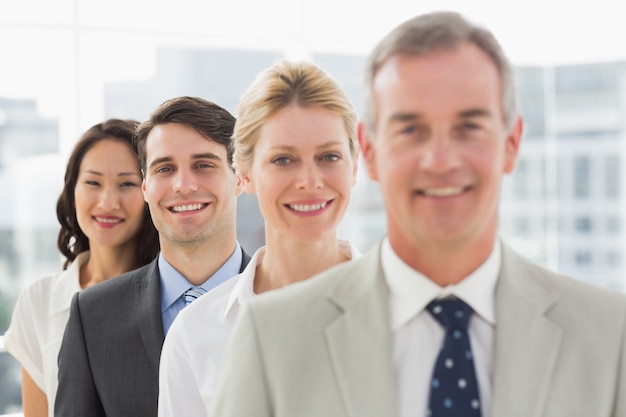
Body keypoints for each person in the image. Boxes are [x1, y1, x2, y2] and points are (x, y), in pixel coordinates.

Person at [210, 11, 626, 417]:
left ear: (511, 143)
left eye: (469, 127)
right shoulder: (271, 337)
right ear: (369, 152)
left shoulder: (610, 334)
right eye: (410, 129)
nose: (440, 160)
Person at [157, 60, 360, 417]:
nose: (310, 180)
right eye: (283, 160)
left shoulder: (407, 313)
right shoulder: (194, 335)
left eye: (329, 156)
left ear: (354, 167)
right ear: (244, 175)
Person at [54, 96, 251, 417]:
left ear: (240, 177)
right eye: (165, 168)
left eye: (203, 164)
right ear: (146, 186)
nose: (184, 185)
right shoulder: (91, 318)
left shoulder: (290, 302)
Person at [3, 119, 159, 417]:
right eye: (92, 182)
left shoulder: (173, 294)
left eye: (126, 183)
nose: (108, 202)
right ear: (72, 191)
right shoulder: (39, 301)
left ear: (149, 191)